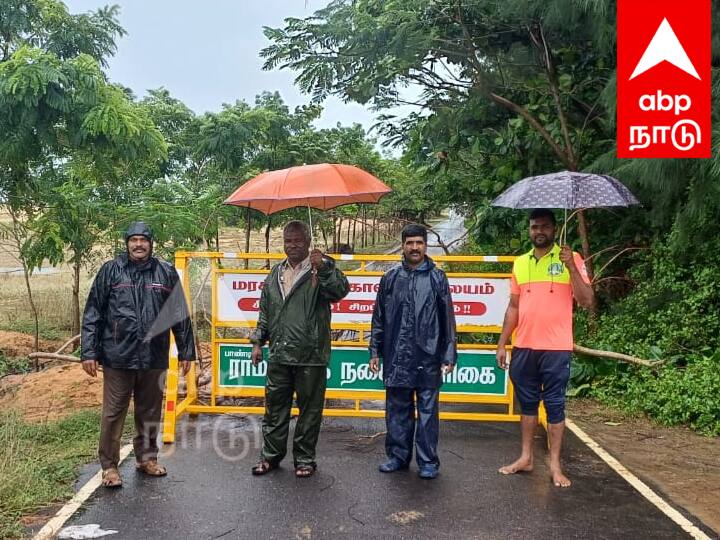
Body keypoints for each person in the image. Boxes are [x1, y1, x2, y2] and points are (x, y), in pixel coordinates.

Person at [81, 222, 196, 488]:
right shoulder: (111, 271)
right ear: (127, 243)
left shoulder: (165, 272)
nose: (138, 244)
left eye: (143, 240)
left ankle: (147, 459)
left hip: (153, 356)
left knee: (150, 411)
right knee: (113, 413)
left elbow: (179, 315)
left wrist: (187, 351)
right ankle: (109, 466)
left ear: (151, 243)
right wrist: (89, 351)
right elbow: (93, 313)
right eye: (133, 240)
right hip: (116, 355)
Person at [496, 208, 594, 488]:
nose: (539, 231)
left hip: (556, 348)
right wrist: (503, 342)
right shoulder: (520, 263)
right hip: (524, 345)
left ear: (554, 229)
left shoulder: (570, 259)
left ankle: (554, 464)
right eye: (534, 227)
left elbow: (586, 300)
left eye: (544, 227)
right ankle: (526, 458)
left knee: (554, 406)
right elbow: (514, 307)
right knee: (527, 405)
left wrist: (571, 267)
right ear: (529, 230)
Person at [250, 220, 349, 478]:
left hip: (311, 355)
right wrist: (257, 341)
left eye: (298, 241)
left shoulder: (320, 270)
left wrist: (325, 267)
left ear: (308, 242)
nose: (292, 246)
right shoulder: (275, 274)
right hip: (280, 354)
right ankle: (270, 457)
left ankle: (305, 459)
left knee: (310, 411)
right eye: (288, 241)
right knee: (274, 409)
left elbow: (341, 290)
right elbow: (265, 312)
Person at [369, 223, 457, 479]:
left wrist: (448, 354)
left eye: (419, 242)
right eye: (409, 243)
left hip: (428, 356)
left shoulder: (437, 278)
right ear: (403, 245)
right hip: (397, 355)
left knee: (428, 412)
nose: (414, 247)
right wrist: (374, 349)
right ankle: (397, 456)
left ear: (425, 245)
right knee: (397, 409)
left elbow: (448, 319)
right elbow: (379, 317)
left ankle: (428, 461)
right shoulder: (390, 277)